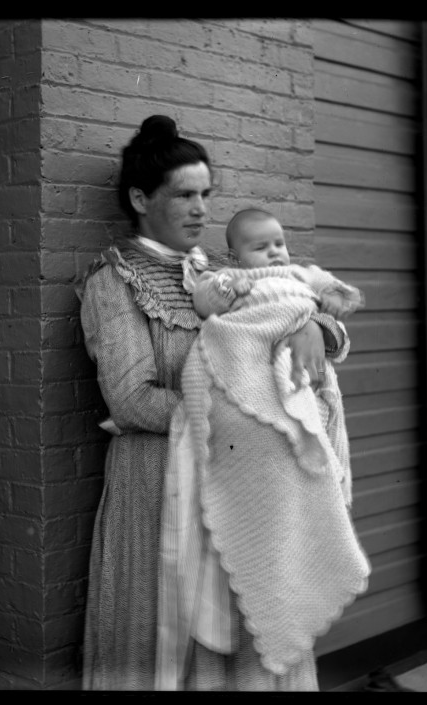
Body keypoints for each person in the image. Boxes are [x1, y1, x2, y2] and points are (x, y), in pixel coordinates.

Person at [76, 114, 350, 691]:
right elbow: (130, 399)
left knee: (256, 638)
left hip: (250, 490)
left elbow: (311, 314)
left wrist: (316, 330)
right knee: (177, 649)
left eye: (206, 194)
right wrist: (237, 421)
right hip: (161, 489)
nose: (201, 209)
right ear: (139, 198)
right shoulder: (116, 280)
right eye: (184, 195)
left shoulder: (228, 272)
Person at [155, 207, 371, 691]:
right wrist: (219, 288)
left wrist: (317, 317)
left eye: (279, 242)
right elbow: (209, 310)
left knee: (286, 539)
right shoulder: (231, 277)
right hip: (243, 389)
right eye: (261, 246)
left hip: (293, 392)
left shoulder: (301, 278)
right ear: (236, 253)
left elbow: (341, 313)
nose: (275, 252)